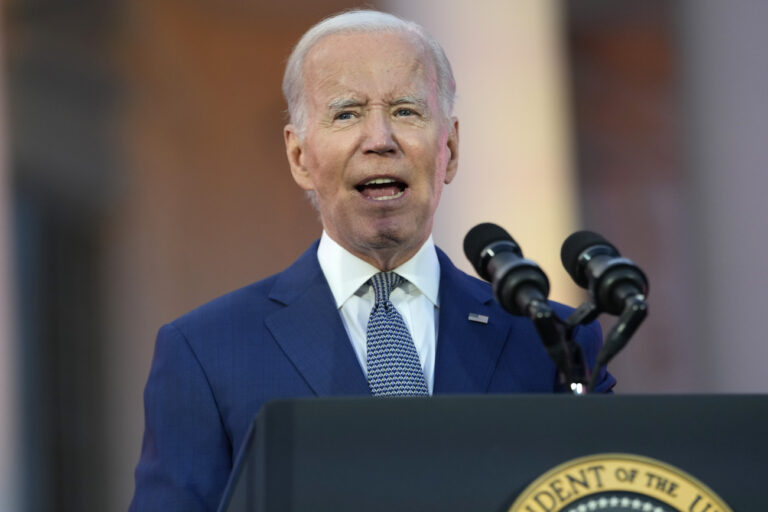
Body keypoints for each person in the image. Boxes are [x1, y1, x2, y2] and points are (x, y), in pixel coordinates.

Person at [129, 9, 615, 511]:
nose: (380, 140)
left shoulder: (552, 343)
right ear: (300, 157)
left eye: (406, 111)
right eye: (346, 113)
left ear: (449, 145)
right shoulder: (207, 352)